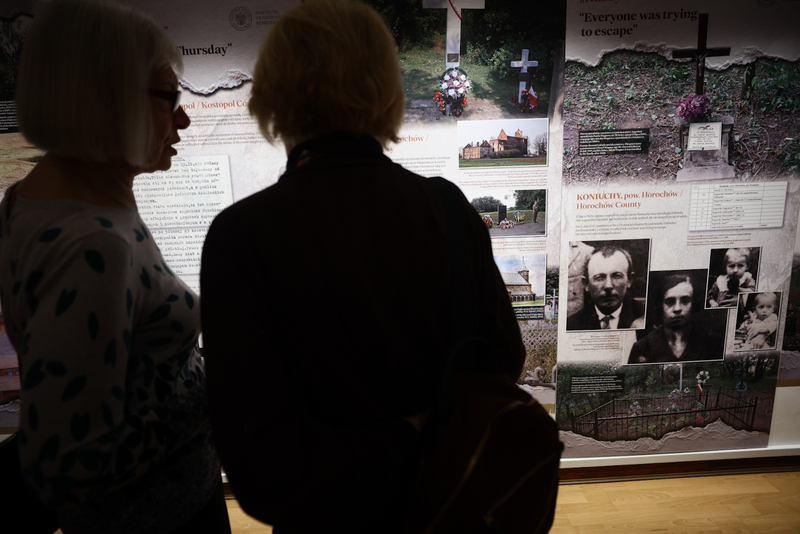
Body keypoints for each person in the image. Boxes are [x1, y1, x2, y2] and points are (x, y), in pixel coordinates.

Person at [199, 0, 526, 532]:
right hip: (452, 508)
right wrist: (419, 429)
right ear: (385, 89)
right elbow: (503, 361)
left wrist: (391, 439)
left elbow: (261, 473)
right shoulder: (447, 208)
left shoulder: (242, 236)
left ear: (272, 94)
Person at [0, 1, 229, 532]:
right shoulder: (93, 245)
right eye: (170, 97)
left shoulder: (37, 198)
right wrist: (222, 385)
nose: (184, 118)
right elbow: (69, 465)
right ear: (108, 99)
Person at [628, 274, 724, 364]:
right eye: (670, 302)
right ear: (660, 306)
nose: (677, 309)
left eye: (685, 301)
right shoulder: (642, 347)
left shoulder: (712, 342)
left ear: (693, 304)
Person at [567, 245, 645, 330]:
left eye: (617, 276)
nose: (608, 286)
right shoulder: (571, 325)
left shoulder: (645, 317)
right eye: (599, 278)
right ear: (586, 284)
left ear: (629, 280)